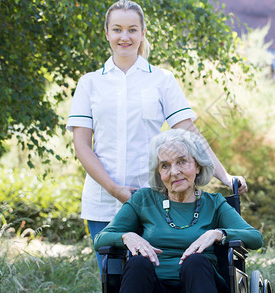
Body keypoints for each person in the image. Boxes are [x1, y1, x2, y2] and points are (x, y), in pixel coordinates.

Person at [66, 0, 248, 272]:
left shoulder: (161, 80)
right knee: (113, 282)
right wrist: (114, 189)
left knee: (154, 278)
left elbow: (190, 133)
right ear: (106, 33)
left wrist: (225, 177)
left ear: (142, 33)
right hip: (103, 202)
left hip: (155, 203)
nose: (124, 37)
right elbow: (82, 146)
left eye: (132, 29)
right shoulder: (90, 83)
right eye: (117, 29)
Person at [94, 129, 263, 293]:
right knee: (137, 263)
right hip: (153, 290)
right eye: (165, 165)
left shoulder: (214, 203)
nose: (174, 172)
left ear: (197, 166)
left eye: (182, 161)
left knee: (196, 261)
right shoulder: (143, 199)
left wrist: (218, 233)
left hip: (200, 286)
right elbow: (100, 239)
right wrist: (126, 236)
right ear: (159, 173)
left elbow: (255, 237)